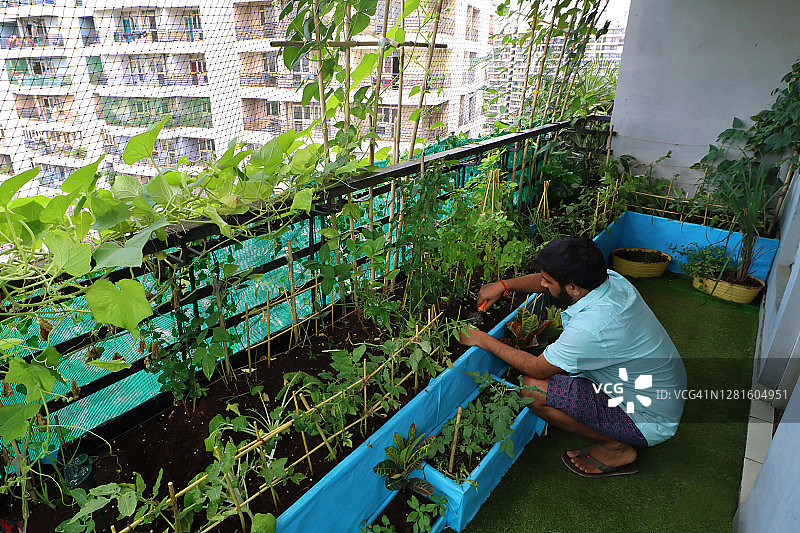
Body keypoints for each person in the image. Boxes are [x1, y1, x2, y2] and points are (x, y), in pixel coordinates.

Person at [459, 236, 687, 477]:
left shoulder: (591, 327)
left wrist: (481, 339)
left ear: (574, 288)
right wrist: (504, 285)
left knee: (533, 390)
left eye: (548, 281)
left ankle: (616, 447)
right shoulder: (609, 281)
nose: (542, 284)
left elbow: (536, 368)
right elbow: (551, 283)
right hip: (659, 389)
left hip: (646, 417)